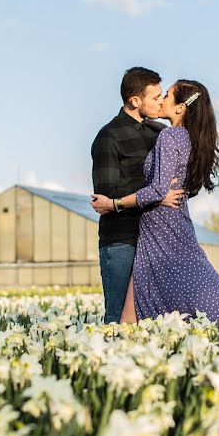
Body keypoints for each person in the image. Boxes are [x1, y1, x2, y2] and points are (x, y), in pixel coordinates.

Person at [92, 80, 219, 326]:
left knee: (131, 316)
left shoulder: (168, 135)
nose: (161, 99)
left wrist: (114, 204)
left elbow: (157, 189)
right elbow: (171, 187)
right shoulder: (188, 137)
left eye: (166, 95)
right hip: (170, 222)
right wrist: (163, 193)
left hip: (160, 227)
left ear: (180, 108)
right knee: (194, 282)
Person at [91, 67, 184, 324]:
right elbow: (107, 194)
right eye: (155, 98)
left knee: (154, 318)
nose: (160, 102)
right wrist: (157, 194)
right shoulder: (108, 137)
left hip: (155, 239)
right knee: (118, 317)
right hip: (122, 239)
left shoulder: (159, 133)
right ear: (135, 101)